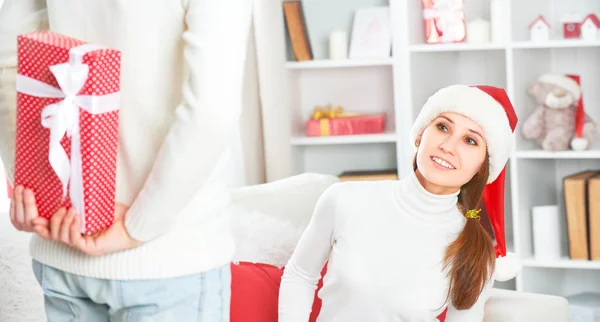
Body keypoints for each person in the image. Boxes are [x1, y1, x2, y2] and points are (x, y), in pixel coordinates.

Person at [0, 0, 253, 321]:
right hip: (166, 259)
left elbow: (8, 59)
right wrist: (137, 227)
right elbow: (211, 111)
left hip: (64, 249)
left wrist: (35, 191)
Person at [278, 85, 522, 322]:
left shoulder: (476, 252)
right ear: (420, 135)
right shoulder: (344, 199)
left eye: (470, 141)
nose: (448, 146)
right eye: (442, 127)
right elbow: (300, 274)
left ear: (482, 168)